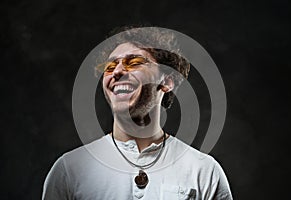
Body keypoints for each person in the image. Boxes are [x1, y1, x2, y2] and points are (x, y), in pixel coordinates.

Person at [42, 27, 233, 200]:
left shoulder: (203, 171)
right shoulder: (69, 169)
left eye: (134, 62)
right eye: (109, 67)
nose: (116, 71)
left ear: (166, 82)